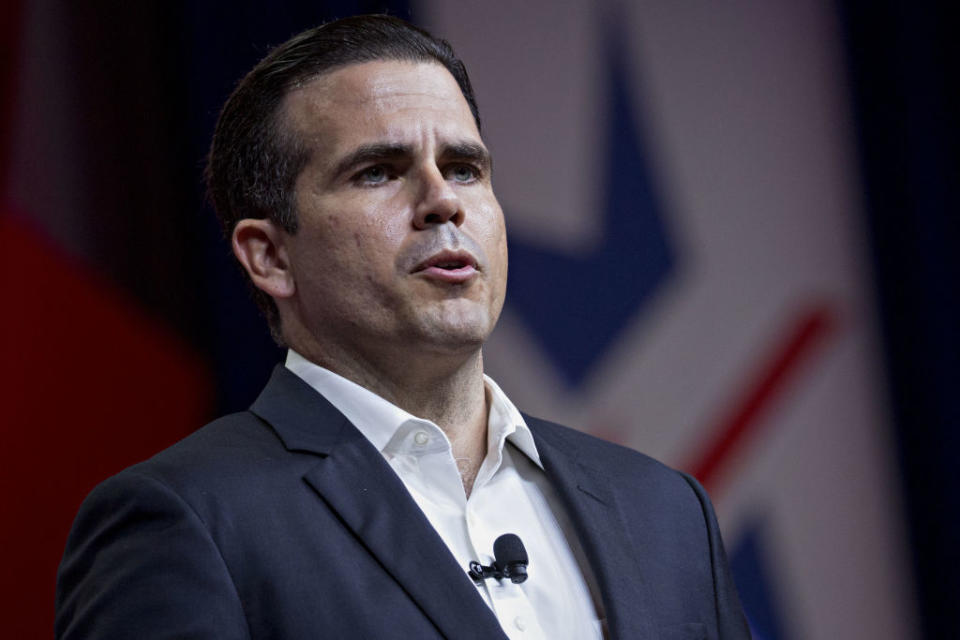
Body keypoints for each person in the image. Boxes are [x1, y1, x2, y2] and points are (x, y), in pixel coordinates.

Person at [55, 15, 750, 640]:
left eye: (464, 167)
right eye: (379, 172)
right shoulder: (186, 523)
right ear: (270, 256)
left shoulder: (662, 509)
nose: (443, 200)